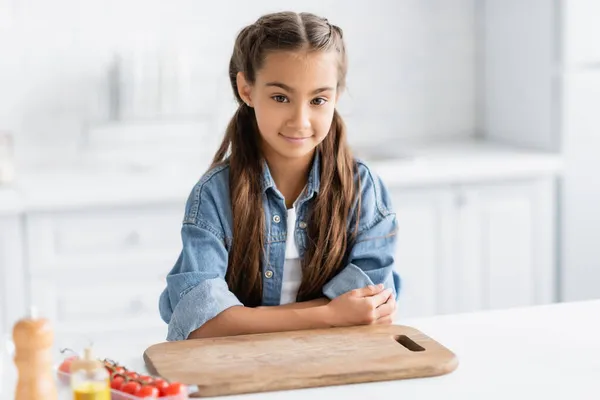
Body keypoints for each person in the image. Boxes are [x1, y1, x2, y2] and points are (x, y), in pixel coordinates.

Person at [158, 11, 401, 341]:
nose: (300, 120)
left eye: (318, 99)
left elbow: (370, 308)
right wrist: (330, 314)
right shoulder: (214, 195)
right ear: (246, 89)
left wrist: (238, 317)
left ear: (336, 97)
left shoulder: (362, 190)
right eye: (280, 97)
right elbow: (200, 324)